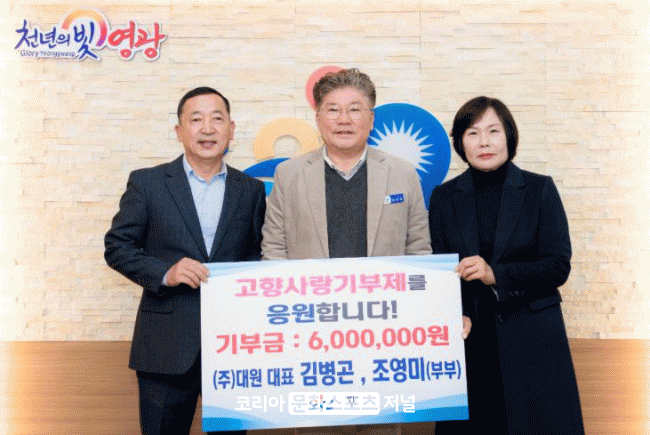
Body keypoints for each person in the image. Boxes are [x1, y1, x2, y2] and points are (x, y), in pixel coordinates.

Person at [104, 87, 265, 435]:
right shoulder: (148, 182)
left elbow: (257, 252)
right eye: (196, 119)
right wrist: (166, 272)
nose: (207, 128)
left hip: (233, 346)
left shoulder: (250, 189)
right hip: (165, 346)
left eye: (217, 119)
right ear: (179, 131)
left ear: (231, 129)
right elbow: (117, 246)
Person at [428, 96, 585, 434]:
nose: (483, 142)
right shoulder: (443, 197)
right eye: (472, 133)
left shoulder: (539, 189)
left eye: (493, 131)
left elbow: (558, 266)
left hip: (533, 338)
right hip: (470, 340)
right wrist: (454, 313)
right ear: (461, 143)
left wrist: (495, 274)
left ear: (509, 137)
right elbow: (440, 271)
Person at [261, 68, 431, 260]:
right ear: (318, 120)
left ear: (371, 120)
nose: (344, 120)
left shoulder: (403, 173)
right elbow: (274, 249)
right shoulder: (288, 174)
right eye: (333, 110)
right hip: (311, 281)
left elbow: (419, 250)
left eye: (354, 110)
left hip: (383, 281)